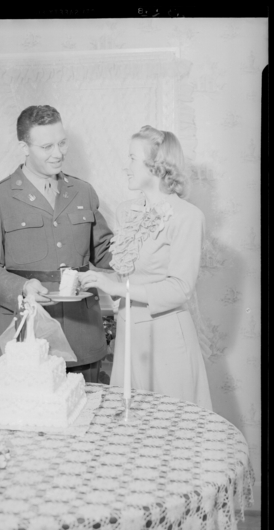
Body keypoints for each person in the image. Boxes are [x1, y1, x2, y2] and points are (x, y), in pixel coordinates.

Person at [0, 105, 113, 383]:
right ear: (24, 147)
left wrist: (147, 241)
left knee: (89, 419)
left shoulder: (83, 192)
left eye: (62, 143)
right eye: (46, 146)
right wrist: (21, 287)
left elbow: (106, 252)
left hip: (82, 335)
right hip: (26, 337)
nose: (58, 153)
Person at [80, 125, 213, 409]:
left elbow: (179, 288)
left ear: (156, 165)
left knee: (170, 430)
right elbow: (125, 270)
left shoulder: (188, 217)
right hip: (128, 335)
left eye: (131, 158)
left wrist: (114, 287)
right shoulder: (127, 212)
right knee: (131, 432)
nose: (125, 166)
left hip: (166, 338)